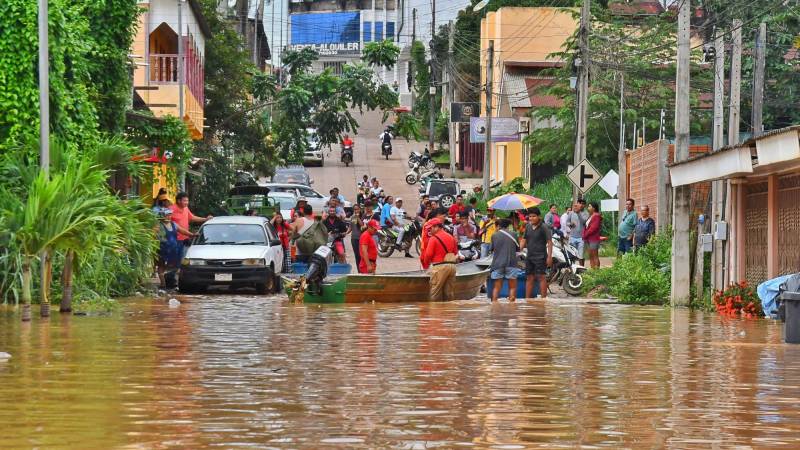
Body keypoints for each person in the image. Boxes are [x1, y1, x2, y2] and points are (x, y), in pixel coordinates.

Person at [421, 218, 458, 301]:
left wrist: (426, 264)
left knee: (435, 293)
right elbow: (455, 252)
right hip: (452, 267)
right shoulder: (451, 237)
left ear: (437, 227)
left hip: (439, 267)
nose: (430, 230)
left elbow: (429, 254)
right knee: (449, 293)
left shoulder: (433, 239)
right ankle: (448, 312)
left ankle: (435, 312)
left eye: (431, 228)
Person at [520, 207, 553, 299]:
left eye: (534, 216)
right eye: (530, 216)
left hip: (541, 256)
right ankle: (527, 299)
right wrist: (518, 251)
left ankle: (543, 300)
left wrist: (549, 257)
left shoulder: (544, 227)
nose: (531, 218)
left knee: (541, 277)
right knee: (529, 278)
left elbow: (550, 242)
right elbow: (524, 239)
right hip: (529, 256)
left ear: (539, 216)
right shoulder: (528, 226)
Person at [155, 208, 191, 290]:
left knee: (175, 266)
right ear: (162, 216)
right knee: (161, 266)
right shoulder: (158, 225)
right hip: (162, 249)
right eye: (167, 215)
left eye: (169, 214)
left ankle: (170, 282)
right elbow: (152, 234)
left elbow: (183, 231)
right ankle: (163, 284)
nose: (169, 216)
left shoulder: (174, 224)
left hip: (173, 250)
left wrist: (192, 234)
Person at [170, 192, 211, 258]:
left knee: (184, 259)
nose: (186, 202)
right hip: (174, 239)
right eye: (184, 201)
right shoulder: (171, 209)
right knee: (175, 260)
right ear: (178, 201)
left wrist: (205, 219)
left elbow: (192, 217)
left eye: (187, 200)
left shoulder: (186, 208)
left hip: (185, 238)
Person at [489, 218, 521, 302]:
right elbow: (518, 249)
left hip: (497, 264)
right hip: (512, 263)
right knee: (512, 287)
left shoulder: (494, 235)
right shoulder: (514, 234)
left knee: (496, 287)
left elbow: (491, 249)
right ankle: (511, 303)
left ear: (498, 226)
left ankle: (495, 304)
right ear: (508, 226)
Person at [566, 199, 588, 265]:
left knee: (581, 255)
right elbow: (567, 222)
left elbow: (584, 222)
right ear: (577, 203)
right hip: (572, 236)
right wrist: (570, 224)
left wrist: (578, 213)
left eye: (582, 203)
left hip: (581, 238)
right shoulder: (571, 212)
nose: (581, 205)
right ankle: (572, 269)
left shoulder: (586, 213)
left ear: (584, 205)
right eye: (579, 203)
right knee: (571, 254)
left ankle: (582, 269)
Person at [582, 201, 603, 269]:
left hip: (593, 239)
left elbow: (593, 228)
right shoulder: (591, 216)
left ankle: (597, 271)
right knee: (591, 255)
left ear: (594, 208)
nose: (588, 208)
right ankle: (593, 269)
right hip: (588, 238)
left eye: (589, 206)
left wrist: (585, 234)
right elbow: (587, 226)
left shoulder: (596, 216)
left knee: (595, 255)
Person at [350, 204, 366, 269]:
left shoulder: (363, 216)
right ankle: (359, 270)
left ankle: (363, 269)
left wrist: (358, 217)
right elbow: (350, 227)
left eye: (357, 209)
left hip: (361, 238)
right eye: (355, 209)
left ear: (360, 209)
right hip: (354, 238)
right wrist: (346, 233)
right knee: (357, 255)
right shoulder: (352, 217)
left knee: (362, 255)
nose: (356, 210)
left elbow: (362, 225)